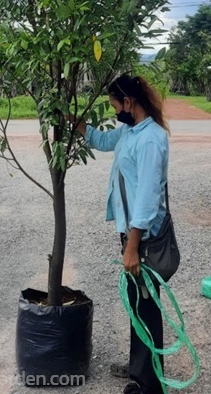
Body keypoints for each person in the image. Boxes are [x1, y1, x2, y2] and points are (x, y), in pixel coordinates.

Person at [75, 74, 170, 394]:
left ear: (129, 103)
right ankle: (138, 365)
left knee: (146, 306)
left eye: (114, 104)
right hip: (131, 234)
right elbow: (103, 142)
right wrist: (73, 121)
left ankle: (148, 384)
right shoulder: (130, 130)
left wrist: (132, 246)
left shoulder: (152, 139)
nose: (114, 109)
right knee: (136, 303)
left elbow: (146, 198)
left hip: (141, 238)